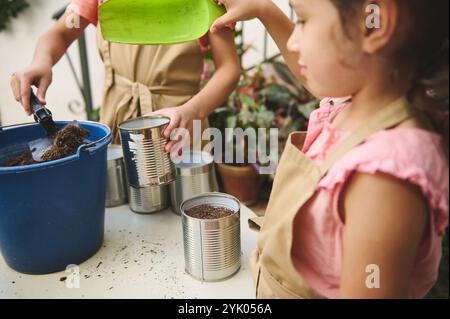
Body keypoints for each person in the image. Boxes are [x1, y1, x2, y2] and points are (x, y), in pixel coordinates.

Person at [212, 0, 449, 298]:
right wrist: (263, 9)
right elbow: (315, 73)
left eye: (302, 21)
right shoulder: (353, 104)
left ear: (375, 24)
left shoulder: (383, 176)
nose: (295, 43)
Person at [10, 0, 241, 149]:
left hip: (181, 127)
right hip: (117, 119)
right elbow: (60, 33)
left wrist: (193, 110)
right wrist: (41, 62)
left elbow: (228, 68)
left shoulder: (208, 3)